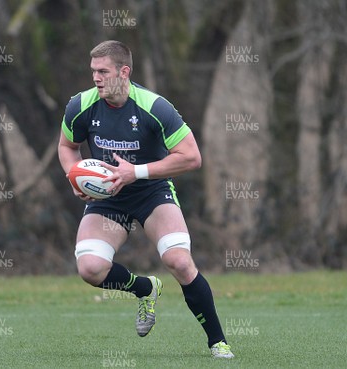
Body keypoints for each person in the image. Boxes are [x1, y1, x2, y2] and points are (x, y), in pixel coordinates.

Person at [57, 40, 234, 359]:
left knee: (179, 261)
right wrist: (74, 176)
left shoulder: (155, 107)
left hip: (152, 192)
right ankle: (145, 289)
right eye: (93, 71)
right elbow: (67, 146)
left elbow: (191, 157)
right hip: (109, 198)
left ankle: (218, 342)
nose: (96, 78)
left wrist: (135, 172)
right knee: (90, 268)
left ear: (124, 72)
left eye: (103, 71)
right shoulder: (81, 105)